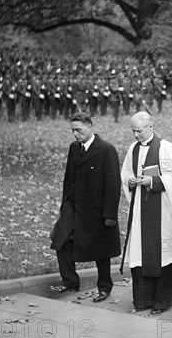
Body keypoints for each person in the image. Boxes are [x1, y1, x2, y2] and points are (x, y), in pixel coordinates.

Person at [49, 112, 121, 303]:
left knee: (101, 249)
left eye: (79, 130)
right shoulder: (74, 148)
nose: (75, 134)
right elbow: (68, 178)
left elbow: (114, 184)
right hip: (74, 206)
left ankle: (104, 287)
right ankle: (70, 281)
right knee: (60, 238)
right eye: (73, 130)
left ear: (90, 126)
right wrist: (65, 204)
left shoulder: (106, 150)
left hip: (97, 210)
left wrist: (110, 214)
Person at [120, 112, 172, 314]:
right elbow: (125, 173)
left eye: (138, 131)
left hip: (162, 211)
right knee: (141, 251)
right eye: (133, 131)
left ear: (151, 127)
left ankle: (162, 300)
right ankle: (142, 300)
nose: (135, 135)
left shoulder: (166, 148)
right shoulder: (133, 149)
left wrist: (152, 181)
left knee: (162, 252)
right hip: (141, 209)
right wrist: (131, 181)